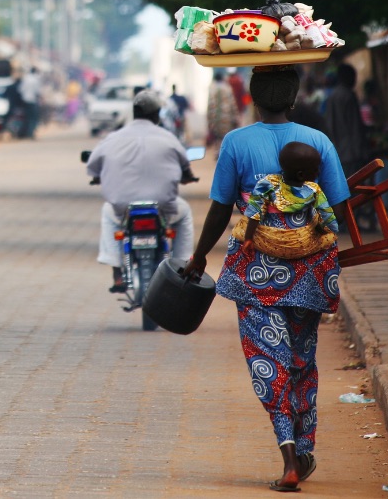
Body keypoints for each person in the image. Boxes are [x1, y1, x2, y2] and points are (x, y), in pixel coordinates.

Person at [181, 66, 350, 493]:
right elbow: (340, 211)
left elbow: (221, 210)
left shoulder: (237, 142)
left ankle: (290, 456)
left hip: (256, 273)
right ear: (294, 99)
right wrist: (304, 234)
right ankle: (306, 447)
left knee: (267, 360)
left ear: (253, 99)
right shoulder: (319, 141)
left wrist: (199, 256)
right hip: (310, 273)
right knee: (301, 361)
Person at [86, 90, 199, 294]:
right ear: (156, 115)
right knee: (185, 215)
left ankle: (117, 272)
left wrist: (98, 176)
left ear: (135, 112)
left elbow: (93, 166)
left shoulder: (113, 138)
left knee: (107, 211)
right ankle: (182, 267)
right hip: (163, 207)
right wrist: (188, 176)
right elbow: (185, 167)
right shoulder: (169, 138)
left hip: (123, 208)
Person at [240, 142, 339, 256]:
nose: (319, 172)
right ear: (301, 175)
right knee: (329, 237)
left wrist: (248, 238)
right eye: (316, 169)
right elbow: (327, 216)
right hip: (302, 244)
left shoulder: (268, 183)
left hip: (271, 242)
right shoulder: (313, 189)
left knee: (241, 226)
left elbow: (255, 212)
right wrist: (327, 230)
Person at [322, 63, 369, 178]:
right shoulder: (348, 96)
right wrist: (362, 152)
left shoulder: (332, 96)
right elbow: (355, 127)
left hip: (337, 151)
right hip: (351, 152)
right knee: (354, 186)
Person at [207, 70, 240, 146]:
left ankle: (218, 154)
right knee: (226, 138)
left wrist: (209, 121)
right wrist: (236, 118)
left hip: (215, 120)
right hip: (226, 119)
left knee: (217, 139)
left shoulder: (211, 89)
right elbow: (233, 105)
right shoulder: (227, 88)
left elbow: (209, 107)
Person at [18, 66, 42, 139]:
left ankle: (24, 133)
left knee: (26, 117)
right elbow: (37, 91)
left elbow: (20, 90)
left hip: (24, 100)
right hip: (32, 100)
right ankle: (30, 133)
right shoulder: (35, 79)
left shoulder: (25, 78)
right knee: (33, 118)